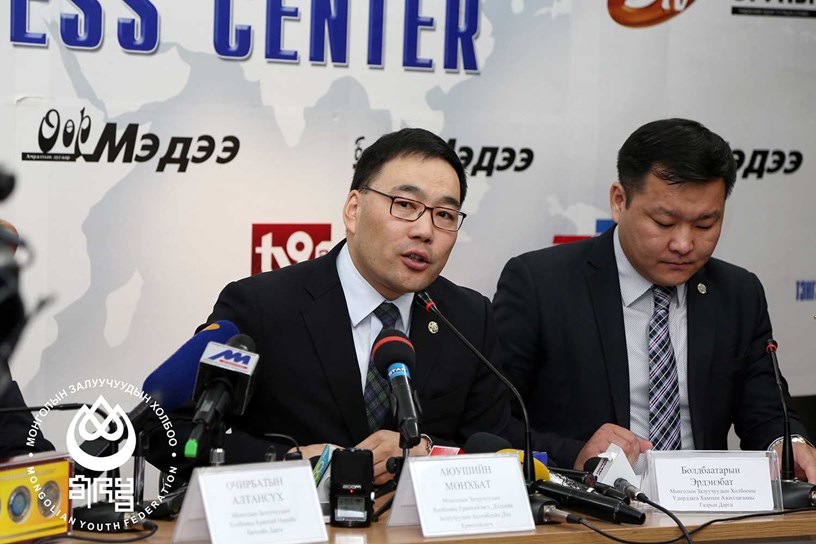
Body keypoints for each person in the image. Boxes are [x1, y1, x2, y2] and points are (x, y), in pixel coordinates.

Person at [493, 118, 816, 482]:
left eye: (705, 225)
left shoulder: (738, 293)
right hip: (585, 505)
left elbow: (766, 410)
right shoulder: (541, 284)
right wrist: (575, 454)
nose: (684, 244)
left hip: (707, 502)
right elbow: (494, 423)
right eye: (664, 223)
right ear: (620, 201)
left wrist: (787, 443)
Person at [199, 128, 510, 483]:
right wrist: (290, 462)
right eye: (405, 205)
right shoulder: (261, 307)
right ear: (353, 210)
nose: (425, 231)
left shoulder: (469, 319)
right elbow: (176, 434)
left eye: (444, 215)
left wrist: (424, 452)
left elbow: (495, 449)